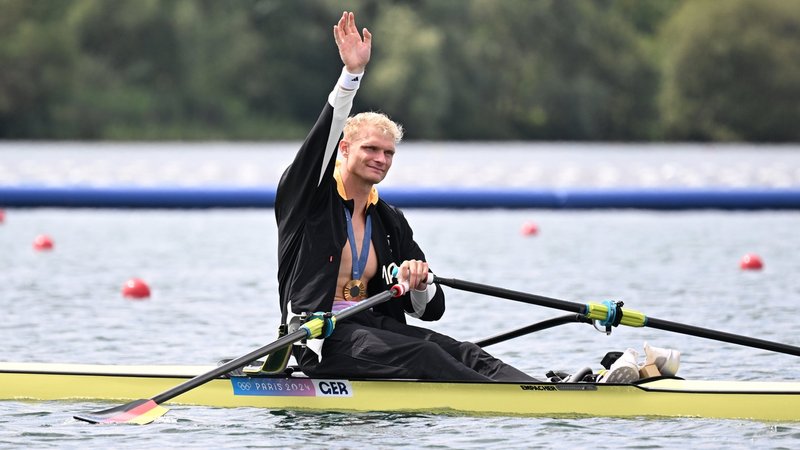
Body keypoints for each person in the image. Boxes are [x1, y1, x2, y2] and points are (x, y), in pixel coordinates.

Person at [274, 11, 537, 382]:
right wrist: (351, 77)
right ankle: (507, 401)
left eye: (389, 153)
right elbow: (323, 138)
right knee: (424, 353)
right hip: (319, 340)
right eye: (371, 149)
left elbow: (430, 311)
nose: (381, 159)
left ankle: (539, 391)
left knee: (464, 351)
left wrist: (422, 282)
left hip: (373, 328)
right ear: (344, 149)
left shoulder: (389, 219)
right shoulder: (307, 199)